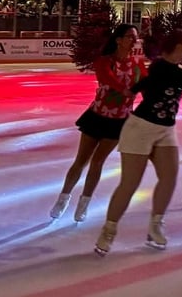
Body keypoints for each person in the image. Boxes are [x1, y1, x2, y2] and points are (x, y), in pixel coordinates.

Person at [94, 29, 182, 256]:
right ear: (178, 47)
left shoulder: (165, 69)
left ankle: (155, 226)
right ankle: (109, 229)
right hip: (140, 129)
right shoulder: (165, 68)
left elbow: (147, 83)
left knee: (169, 178)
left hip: (165, 130)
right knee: (130, 184)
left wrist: (133, 89)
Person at [51, 24, 147, 223]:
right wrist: (126, 90)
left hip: (119, 121)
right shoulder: (104, 61)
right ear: (118, 40)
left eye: (135, 37)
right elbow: (107, 79)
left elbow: (147, 88)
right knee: (81, 161)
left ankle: (84, 203)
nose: (134, 41)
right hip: (97, 116)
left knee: (98, 162)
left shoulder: (138, 64)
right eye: (129, 37)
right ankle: (63, 198)